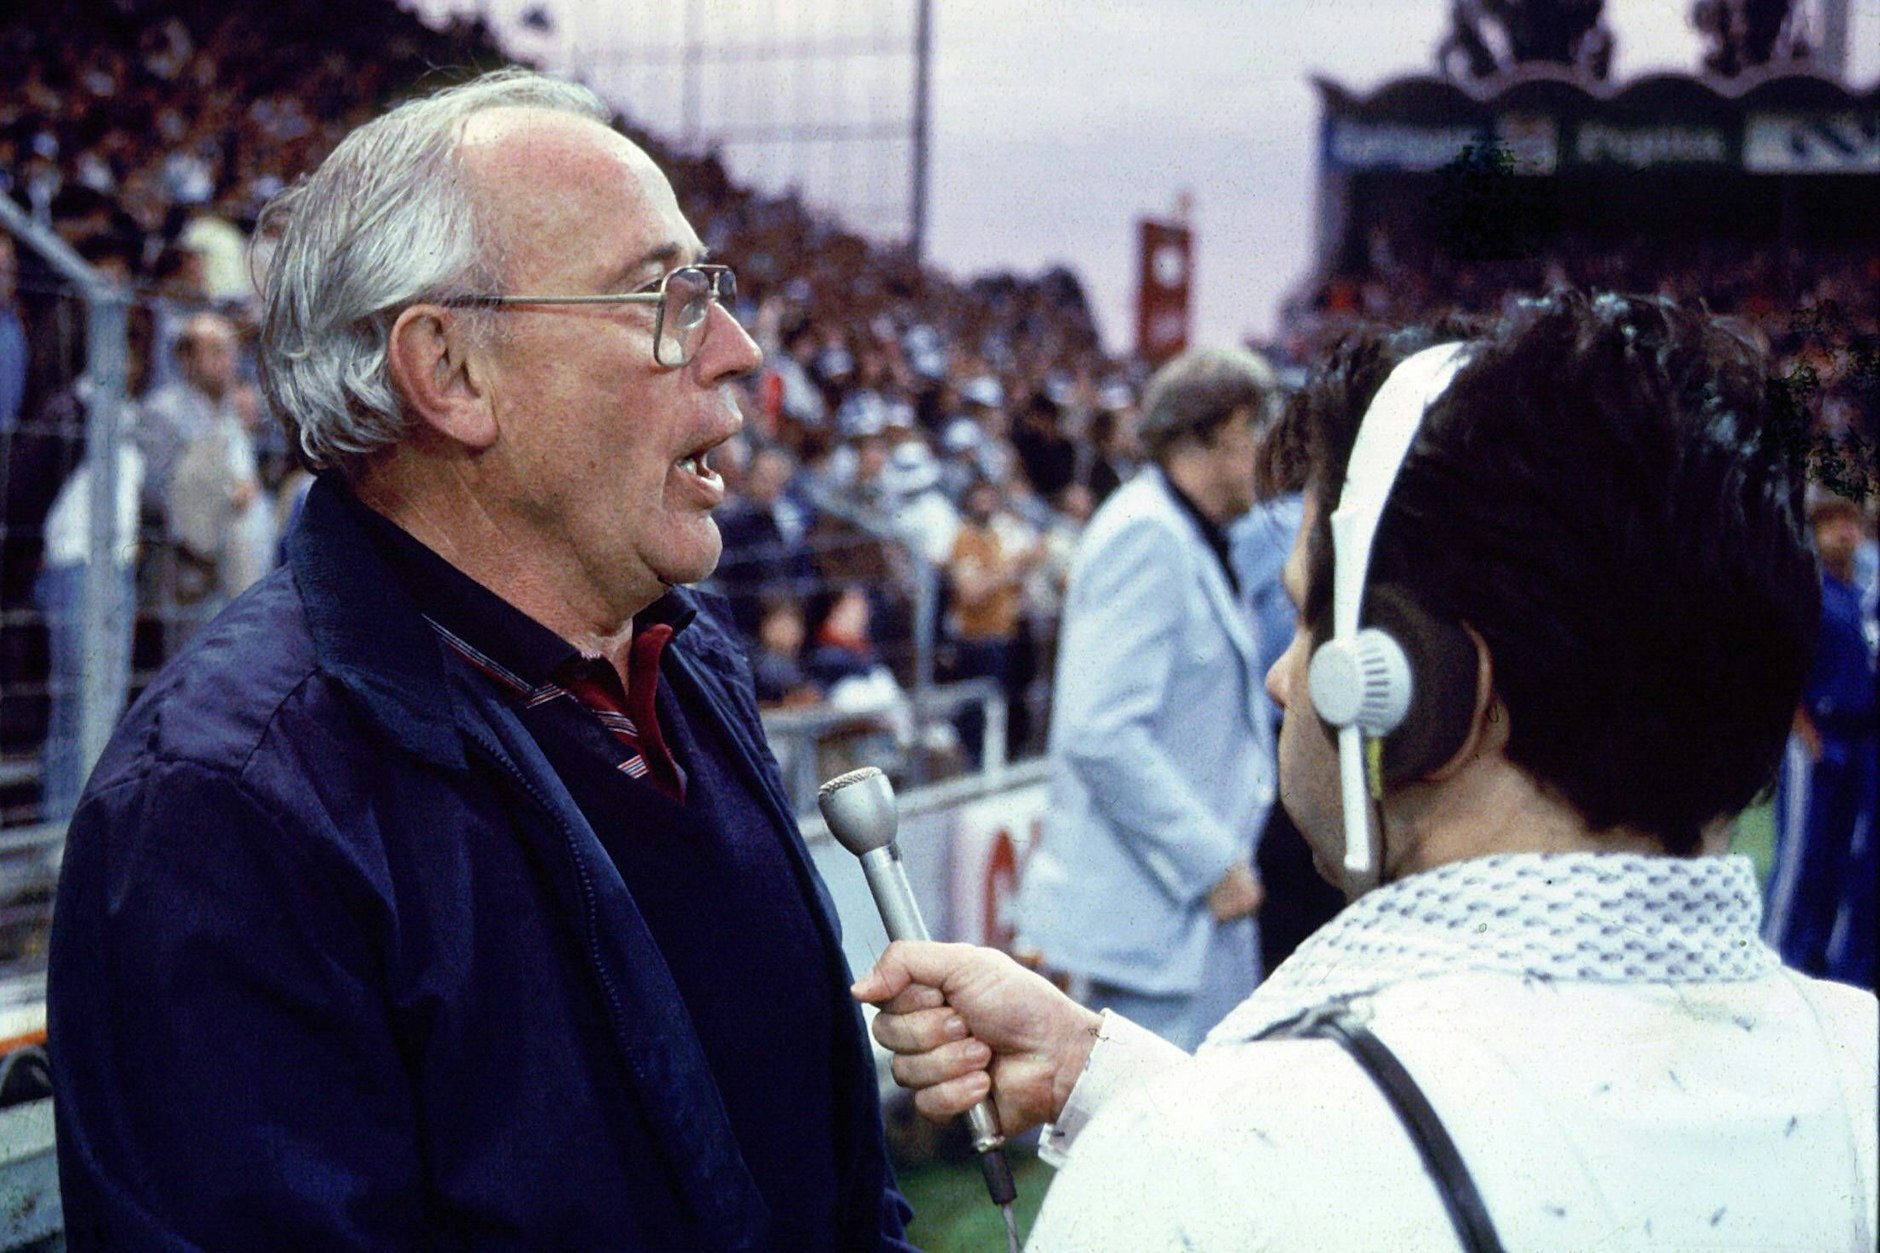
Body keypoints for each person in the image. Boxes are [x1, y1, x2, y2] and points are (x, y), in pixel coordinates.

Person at [49, 70, 915, 1251]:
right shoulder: (224, 805)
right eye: (657, 295)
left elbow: (830, 1187)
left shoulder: (684, 661)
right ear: (448, 371)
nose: (733, 347)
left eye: (708, 287)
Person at [856, 293, 1877, 1250]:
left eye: (1309, 618)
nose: (1279, 677)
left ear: (1417, 683)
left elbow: (1308, 1179)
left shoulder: (1192, 1177)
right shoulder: (1856, 1064)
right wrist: (1110, 1080)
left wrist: (1173, 1139)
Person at [1013, 346, 1279, 1050]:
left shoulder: (1184, 531)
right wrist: (1211, 863)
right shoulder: (1147, 535)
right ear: (1217, 432)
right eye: (1255, 430)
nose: (1263, 451)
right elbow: (1100, 731)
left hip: (1180, 923)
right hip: (1158, 922)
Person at [1764, 490, 1877, 989]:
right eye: (1831, 523)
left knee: (1837, 860)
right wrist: (1801, 727)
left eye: (1849, 522)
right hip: (1816, 735)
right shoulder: (1808, 589)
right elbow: (1782, 664)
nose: (1843, 532)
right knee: (1801, 859)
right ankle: (1774, 957)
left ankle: (1813, 965)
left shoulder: (1859, 596)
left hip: (1856, 737)